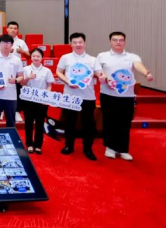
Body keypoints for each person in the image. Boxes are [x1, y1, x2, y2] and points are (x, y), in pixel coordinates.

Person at [97, 31, 154, 161]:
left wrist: (146, 73)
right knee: (109, 121)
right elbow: (98, 71)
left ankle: (123, 149)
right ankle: (110, 147)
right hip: (108, 94)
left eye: (121, 40)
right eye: (115, 40)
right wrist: (104, 77)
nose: (118, 42)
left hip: (126, 96)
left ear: (124, 42)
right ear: (110, 41)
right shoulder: (102, 56)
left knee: (124, 122)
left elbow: (138, 65)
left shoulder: (132, 56)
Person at [56, 32, 104, 160]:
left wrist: (102, 76)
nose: (78, 44)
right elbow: (59, 72)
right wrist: (67, 82)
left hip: (88, 97)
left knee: (88, 123)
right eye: (75, 42)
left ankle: (88, 149)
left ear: (85, 43)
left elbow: (100, 73)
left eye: (80, 42)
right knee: (69, 122)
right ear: (70, 44)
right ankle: (69, 146)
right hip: (70, 96)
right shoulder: (65, 58)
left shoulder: (93, 60)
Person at [0, 21, 30, 123]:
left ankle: (16, 111)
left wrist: (22, 51)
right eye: (11, 28)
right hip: (1, 69)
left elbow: (28, 56)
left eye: (15, 28)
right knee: (1, 89)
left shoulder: (21, 42)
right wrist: (6, 50)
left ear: (17, 30)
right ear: (7, 29)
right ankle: (1, 111)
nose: (13, 30)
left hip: (16, 70)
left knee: (17, 90)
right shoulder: (1, 40)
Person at [21, 48, 54, 154]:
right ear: (30, 57)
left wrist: (46, 97)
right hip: (28, 100)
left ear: (42, 58)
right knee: (29, 123)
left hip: (41, 100)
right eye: (33, 56)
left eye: (38, 56)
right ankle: (29, 144)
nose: (35, 58)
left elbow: (49, 85)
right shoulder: (25, 69)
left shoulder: (47, 70)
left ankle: (38, 145)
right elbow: (22, 83)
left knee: (40, 123)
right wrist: (28, 77)